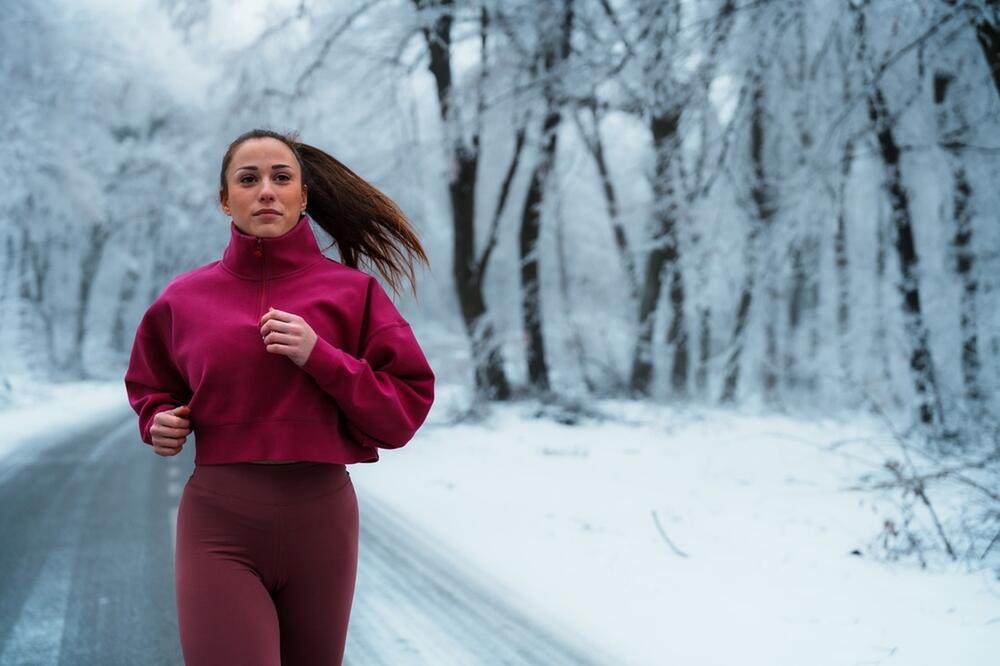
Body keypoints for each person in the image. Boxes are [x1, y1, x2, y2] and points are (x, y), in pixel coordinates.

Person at [123, 128, 436, 665]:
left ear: (303, 196)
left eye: (281, 177)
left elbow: (401, 413)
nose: (266, 190)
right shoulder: (183, 299)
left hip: (323, 522)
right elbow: (151, 386)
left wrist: (321, 356)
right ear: (226, 200)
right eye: (248, 179)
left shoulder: (354, 293)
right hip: (219, 523)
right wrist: (158, 420)